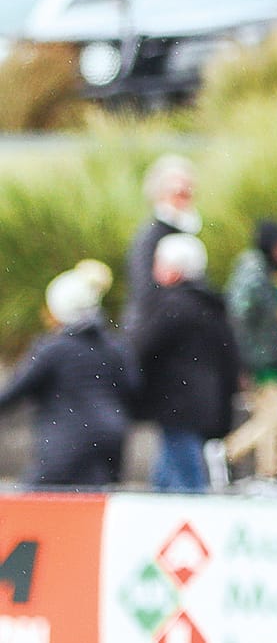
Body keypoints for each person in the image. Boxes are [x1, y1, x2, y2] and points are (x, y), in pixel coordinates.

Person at [0, 261, 134, 489]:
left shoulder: (54, 348)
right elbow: (132, 387)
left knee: (35, 505)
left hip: (67, 442)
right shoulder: (114, 345)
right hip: (111, 438)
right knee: (93, 509)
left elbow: (15, 391)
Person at [132, 234, 240, 494]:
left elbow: (142, 346)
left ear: (174, 269)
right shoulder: (211, 305)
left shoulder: (174, 305)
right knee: (168, 474)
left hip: (177, 404)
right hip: (204, 403)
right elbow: (231, 357)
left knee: (188, 482)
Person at [222, 220, 277, 492]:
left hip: (275, 358)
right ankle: (230, 452)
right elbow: (239, 318)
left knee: (274, 417)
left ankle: (268, 474)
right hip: (258, 360)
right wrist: (241, 359)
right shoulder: (253, 272)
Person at [123, 154, 198, 342]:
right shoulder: (150, 238)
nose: (184, 200)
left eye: (188, 193)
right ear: (160, 194)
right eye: (178, 193)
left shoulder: (185, 233)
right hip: (154, 335)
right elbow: (146, 293)